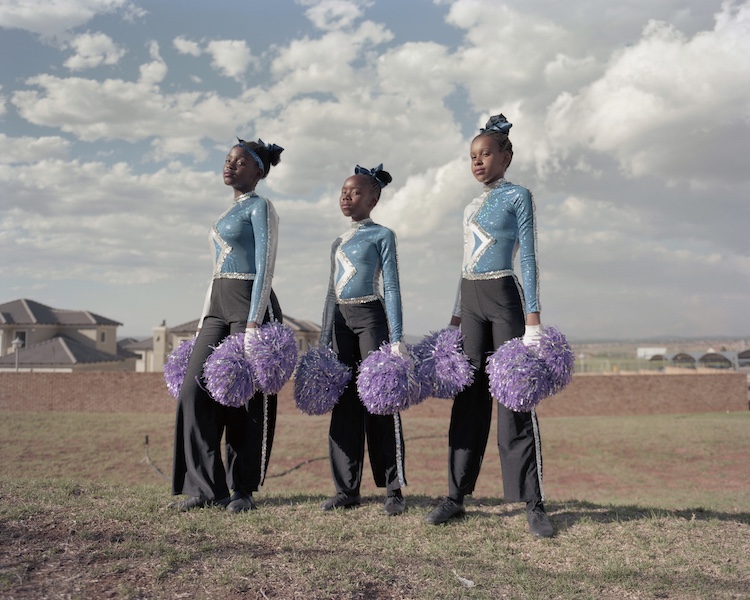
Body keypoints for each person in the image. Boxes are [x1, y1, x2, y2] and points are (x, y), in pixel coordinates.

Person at [424, 114, 554, 538]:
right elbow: (464, 264)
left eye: (485, 154)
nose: (477, 162)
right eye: (472, 157)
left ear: (506, 155)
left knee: (514, 398)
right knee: (468, 397)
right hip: (472, 302)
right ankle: (456, 496)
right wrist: (456, 316)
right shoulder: (469, 207)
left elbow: (529, 259)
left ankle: (532, 502)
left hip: (505, 301)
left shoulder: (520, 197)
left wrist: (533, 319)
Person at [172, 137, 284, 513]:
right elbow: (216, 271)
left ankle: (243, 490)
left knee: (246, 403)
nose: (230, 166)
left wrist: (253, 323)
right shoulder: (224, 215)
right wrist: (204, 320)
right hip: (218, 306)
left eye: (240, 162)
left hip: (251, 304)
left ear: (258, 171)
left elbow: (266, 264)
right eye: (228, 160)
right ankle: (206, 488)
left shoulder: (261, 207)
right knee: (193, 391)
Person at [318, 164, 408, 516]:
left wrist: (398, 338)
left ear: (373, 199)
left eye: (355, 192)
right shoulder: (337, 242)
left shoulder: (382, 235)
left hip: (372, 318)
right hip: (341, 322)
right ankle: (346, 489)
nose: (346, 196)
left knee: (380, 402)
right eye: (343, 191)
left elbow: (393, 286)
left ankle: (393, 489)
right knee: (344, 407)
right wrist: (325, 339)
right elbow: (330, 293)